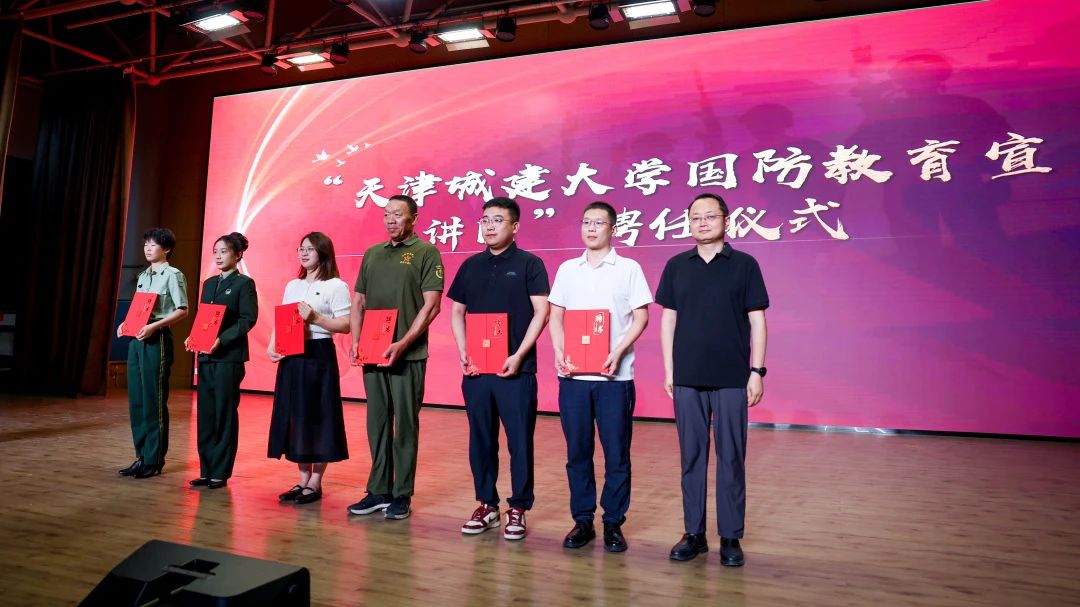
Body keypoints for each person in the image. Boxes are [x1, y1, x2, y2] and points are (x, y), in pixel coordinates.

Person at [656, 193, 769, 566]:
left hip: (732, 377)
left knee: (731, 458)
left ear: (726, 220)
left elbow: (757, 320)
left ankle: (730, 536)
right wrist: (670, 370)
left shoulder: (745, 265)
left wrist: (757, 371)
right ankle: (694, 534)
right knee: (691, 457)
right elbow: (668, 320)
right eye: (695, 217)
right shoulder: (677, 265)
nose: (702, 222)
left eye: (709, 216)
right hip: (687, 376)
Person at [548, 201, 651, 552]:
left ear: (613, 229)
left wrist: (618, 351)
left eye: (599, 223)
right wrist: (559, 351)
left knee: (616, 453)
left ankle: (613, 522)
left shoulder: (629, 268)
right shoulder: (568, 269)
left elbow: (641, 316)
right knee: (577, 451)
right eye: (586, 222)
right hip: (573, 378)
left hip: (614, 379)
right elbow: (556, 315)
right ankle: (582, 520)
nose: (591, 229)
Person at [448, 197, 550, 541]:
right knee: (480, 439)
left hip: (515, 370)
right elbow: (457, 311)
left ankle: (518, 507)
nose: (489, 226)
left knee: (519, 440)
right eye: (485, 220)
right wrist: (464, 350)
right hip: (477, 370)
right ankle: (486, 504)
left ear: (515, 226)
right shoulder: (471, 265)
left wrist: (519, 355)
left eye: (497, 220)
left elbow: (542, 312)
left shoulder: (529, 264)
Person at [347, 195, 444, 520]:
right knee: (376, 423)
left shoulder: (426, 252)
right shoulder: (373, 253)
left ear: (413, 218)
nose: (391, 220)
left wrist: (403, 343)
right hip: (373, 353)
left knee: (405, 425)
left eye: (398, 215)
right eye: (386, 214)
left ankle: (402, 493)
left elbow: (432, 306)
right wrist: (356, 340)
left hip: (408, 356)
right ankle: (378, 490)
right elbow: (359, 301)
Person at [267, 232, 351, 505]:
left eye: (310, 249)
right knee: (296, 416)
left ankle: (316, 481)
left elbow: (346, 324)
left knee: (319, 416)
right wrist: (272, 345)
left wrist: (315, 318)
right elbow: (282, 318)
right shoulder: (293, 284)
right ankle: (302, 479)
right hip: (292, 354)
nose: (303, 253)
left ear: (323, 253)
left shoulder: (335, 285)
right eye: (301, 248)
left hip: (318, 354)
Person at [184, 232, 258, 490]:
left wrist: (222, 340)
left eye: (224, 251)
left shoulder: (244, 283)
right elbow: (204, 318)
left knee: (224, 413)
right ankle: (206, 470)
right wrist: (193, 337)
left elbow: (247, 319)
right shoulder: (209, 283)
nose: (217, 256)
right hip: (206, 356)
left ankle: (220, 471)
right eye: (215, 251)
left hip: (228, 357)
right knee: (205, 414)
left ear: (237, 255)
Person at [116, 228, 189, 479]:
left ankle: (154, 459)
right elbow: (140, 308)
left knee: (153, 401)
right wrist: (125, 324)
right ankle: (141, 456)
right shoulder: (143, 275)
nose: (148, 248)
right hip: (137, 339)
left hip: (156, 338)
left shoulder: (173, 275)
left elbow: (182, 310)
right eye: (146, 243)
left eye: (153, 244)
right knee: (137, 401)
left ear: (166, 249)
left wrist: (154, 327)